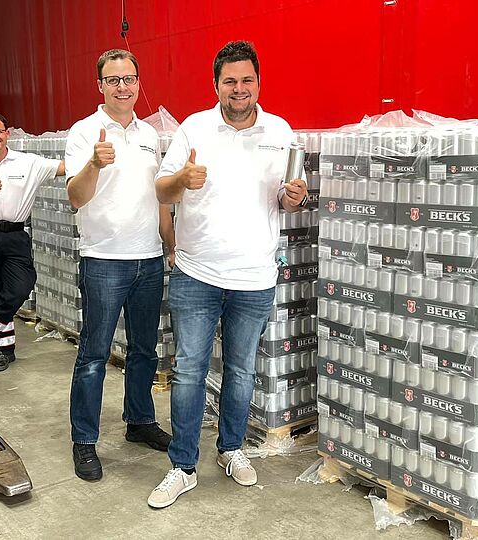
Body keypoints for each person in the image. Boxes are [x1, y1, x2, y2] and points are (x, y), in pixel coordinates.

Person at [147, 41, 308, 508]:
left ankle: (231, 448)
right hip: (196, 273)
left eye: (247, 80)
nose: (239, 89)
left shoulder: (280, 131)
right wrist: (182, 180)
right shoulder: (194, 128)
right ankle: (182, 466)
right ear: (216, 84)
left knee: (240, 371)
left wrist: (293, 199)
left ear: (259, 83)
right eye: (230, 81)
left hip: (254, 276)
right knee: (188, 371)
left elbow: (286, 198)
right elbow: (161, 189)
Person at [63, 49, 176, 482]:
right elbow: (76, 197)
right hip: (104, 260)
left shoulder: (149, 134)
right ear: (100, 86)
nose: (123, 87)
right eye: (113, 80)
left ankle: (140, 420)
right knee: (94, 354)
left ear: (138, 82)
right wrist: (94, 162)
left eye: (129, 79)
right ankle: (84, 440)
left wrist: (170, 244)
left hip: (148, 258)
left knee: (145, 349)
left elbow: (159, 196)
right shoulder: (83, 132)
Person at [0, 111, 66, 372]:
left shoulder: (28, 162)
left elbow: (64, 167)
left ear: (7, 133)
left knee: (21, 285)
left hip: (16, 235)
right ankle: (2, 350)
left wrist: (96, 157)